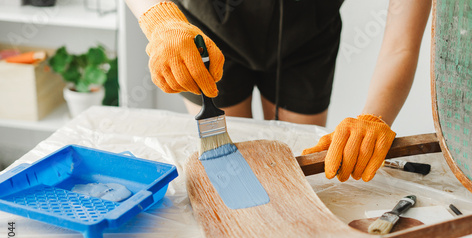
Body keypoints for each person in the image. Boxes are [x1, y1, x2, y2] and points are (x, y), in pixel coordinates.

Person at [125, 0, 432, 182]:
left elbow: (401, 44)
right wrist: (159, 17)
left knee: (294, 169)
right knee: (226, 166)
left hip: (308, 37)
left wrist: (375, 116)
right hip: (205, 32)